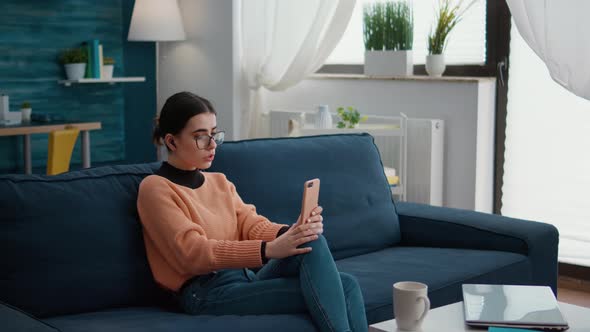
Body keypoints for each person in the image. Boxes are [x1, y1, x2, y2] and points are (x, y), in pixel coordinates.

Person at [137, 91, 368, 332]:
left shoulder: (219, 182)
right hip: (204, 293)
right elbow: (193, 253)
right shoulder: (156, 189)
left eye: (214, 134)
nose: (212, 144)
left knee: (322, 253)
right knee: (338, 287)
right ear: (172, 141)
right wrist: (268, 250)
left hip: (243, 278)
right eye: (201, 137)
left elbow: (250, 224)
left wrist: (291, 231)